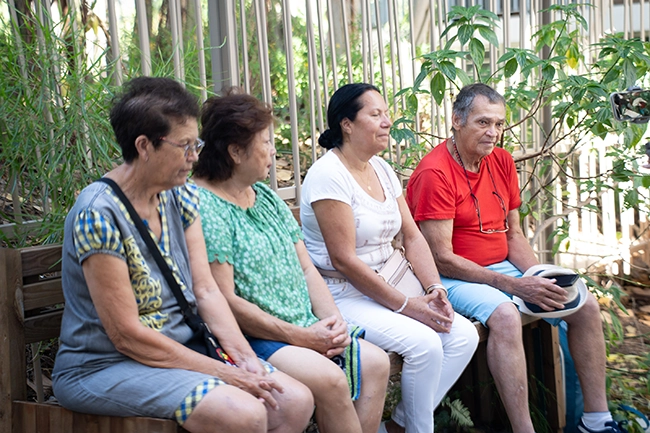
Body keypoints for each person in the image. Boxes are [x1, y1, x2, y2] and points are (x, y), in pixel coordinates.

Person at [51, 77, 314, 433]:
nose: (195, 157)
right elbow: (126, 334)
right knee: (245, 414)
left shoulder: (181, 196)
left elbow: (206, 291)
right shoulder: (98, 215)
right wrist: (226, 373)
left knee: (294, 400)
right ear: (144, 146)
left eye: (196, 144)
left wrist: (245, 359)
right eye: (185, 146)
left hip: (182, 349)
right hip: (105, 366)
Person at [406, 82, 622, 433]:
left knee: (584, 304)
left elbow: (514, 234)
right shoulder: (435, 172)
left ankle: (597, 421)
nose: (493, 133)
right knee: (506, 316)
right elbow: (441, 257)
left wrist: (538, 276)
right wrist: (513, 286)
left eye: (499, 124)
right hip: (454, 277)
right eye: (483, 123)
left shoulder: (502, 161)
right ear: (457, 121)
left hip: (502, 270)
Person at [193, 88, 390, 433]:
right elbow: (226, 300)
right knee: (329, 379)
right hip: (256, 336)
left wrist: (333, 321)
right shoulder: (206, 207)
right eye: (265, 143)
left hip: (305, 325)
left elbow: (305, 267)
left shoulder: (265, 196)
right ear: (236, 151)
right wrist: (300, 336)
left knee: (375, 362)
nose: (273, 151)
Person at [300, 83, 480, 433]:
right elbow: (344, 261)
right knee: (425, 344)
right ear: (346, 124)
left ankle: (400, 426)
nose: (387, 122)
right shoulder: (328, 176)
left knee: (462, 336)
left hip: (393, 281)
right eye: (375, 114)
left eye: (386, 113)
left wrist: (433, 288)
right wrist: (407, 306)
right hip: (344, 294)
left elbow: (412, 235)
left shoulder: (380, 168)